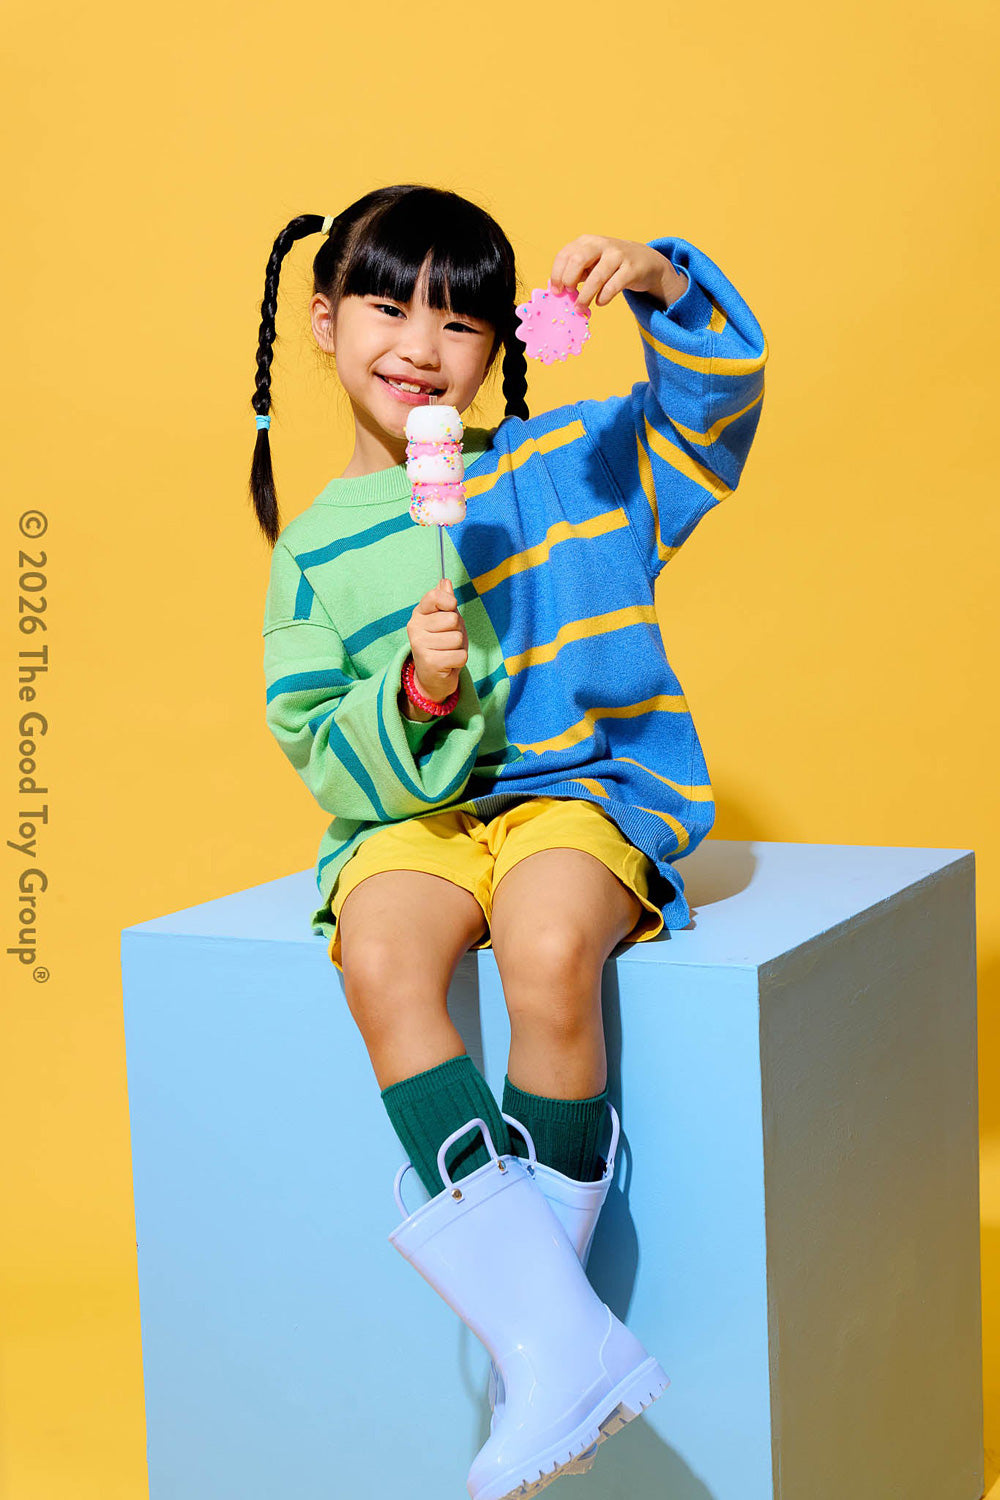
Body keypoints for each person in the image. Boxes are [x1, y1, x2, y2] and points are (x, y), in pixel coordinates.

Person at [252, 184, 767, 1494]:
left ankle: (543, 1350)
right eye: (388, 306)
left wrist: (660, 281)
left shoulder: (567, 465)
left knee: (545, 945)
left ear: (499, 347)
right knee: (378, 955)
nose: (421, 345)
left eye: (462, 320)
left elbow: (713, 419)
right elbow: (312, 733)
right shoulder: (310, 552)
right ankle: (560, 1343)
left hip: (579, 790)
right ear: (323, 319)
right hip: (414, 814)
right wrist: (416, 693)